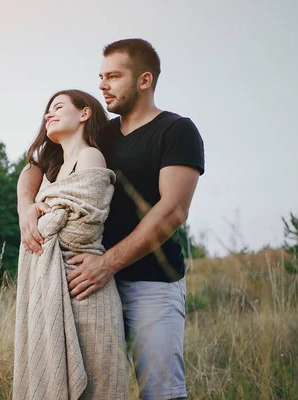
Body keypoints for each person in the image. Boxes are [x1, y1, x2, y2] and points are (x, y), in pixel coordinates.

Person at [17, 39, 205, 400]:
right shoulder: (99, 135)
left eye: (114, 76)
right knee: (94, 388)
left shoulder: (176, 130)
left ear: (144, 80)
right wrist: (26, 208)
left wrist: (107, 264)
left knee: (160, 392)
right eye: (101, 77)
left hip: (151, 283)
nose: (102, 85)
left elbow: (174, 210)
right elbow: (33, 168)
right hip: (89, 286)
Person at [13, 89, 128, 400]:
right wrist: (29, 207)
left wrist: (40, 213)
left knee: (96, 389)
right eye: (47, 110)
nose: (49, 114)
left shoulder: (90, 156)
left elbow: (78, 228)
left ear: (84, 114)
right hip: (53, 291)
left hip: (83, 291)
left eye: (58, 107)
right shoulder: (53, 170)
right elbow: (29, 170)